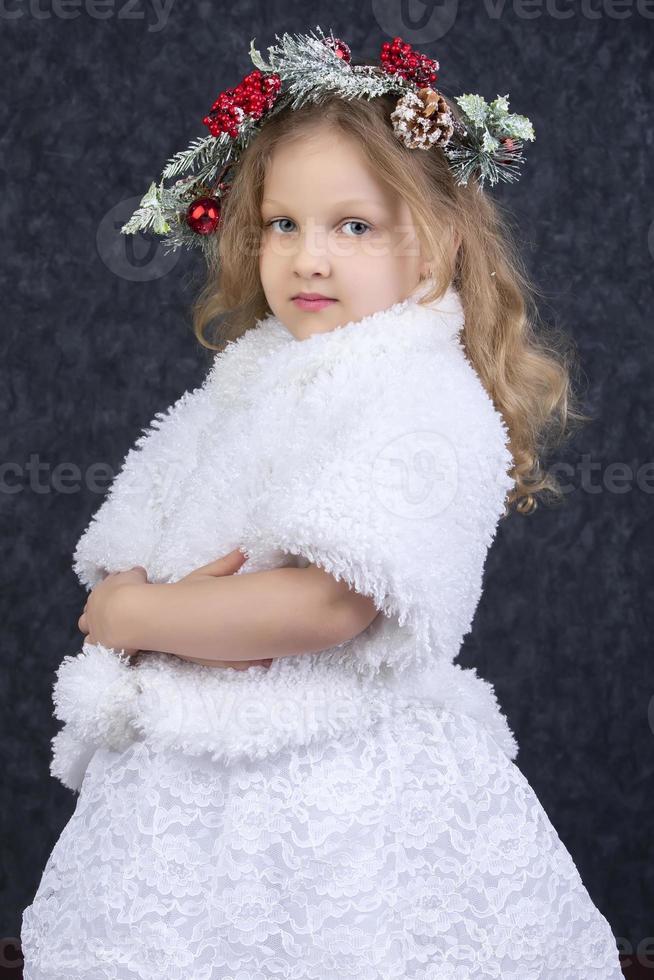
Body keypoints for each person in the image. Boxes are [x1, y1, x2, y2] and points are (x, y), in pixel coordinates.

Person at [21, 27, 624, 979]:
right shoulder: (256, 382)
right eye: (282, 225)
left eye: (354, 226)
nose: (308, 258)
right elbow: (157, 530)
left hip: (339, 780)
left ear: (438, 241)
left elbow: (331, 603)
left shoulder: (415, 397)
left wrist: (139, 611)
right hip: (193, 763)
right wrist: (148, 590)